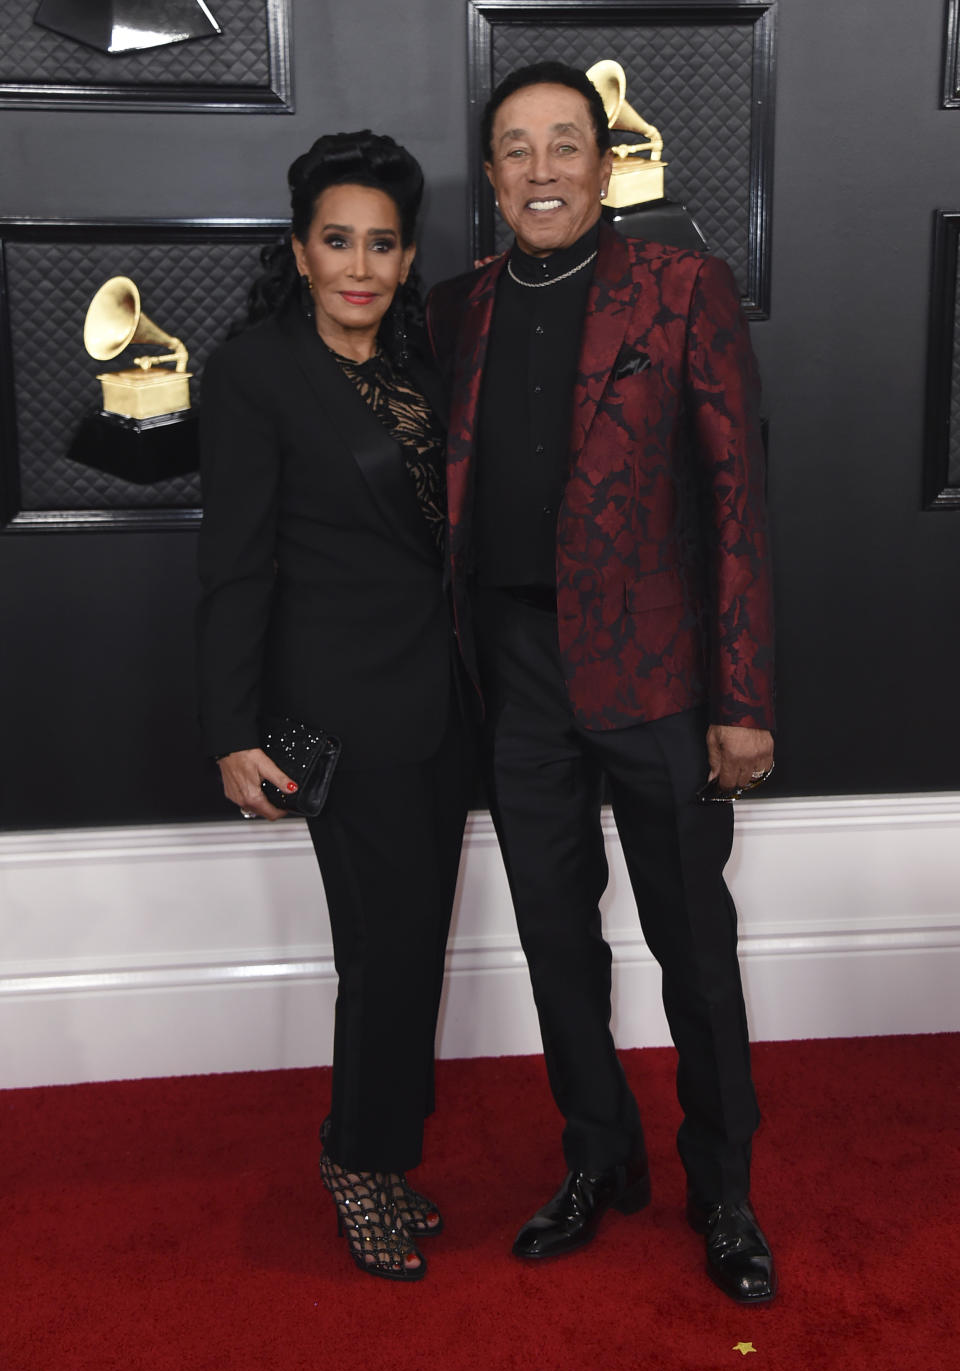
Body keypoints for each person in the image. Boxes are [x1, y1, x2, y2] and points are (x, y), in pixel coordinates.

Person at [426, 62, 777, 1303]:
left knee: (696, 945)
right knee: (554, 942)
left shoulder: (683, 290)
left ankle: (723, 1189)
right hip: (517, 675)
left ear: (605, 160)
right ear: (491, 171)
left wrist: (743, 699)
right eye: (514, 148)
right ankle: (597, 1159)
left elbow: (736, 500)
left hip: (661, 676)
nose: (539, 171)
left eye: (563, 144)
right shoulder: (456, 309)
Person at [197, 131, 470, 1282]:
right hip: (339, 716)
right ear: (300, 250)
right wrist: (230, 728)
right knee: (386, 953)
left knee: (412, 949)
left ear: (407, 258)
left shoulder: (423, 363)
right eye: (337, 240)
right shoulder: (258, 369)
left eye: (384, 243)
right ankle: (358, 1163)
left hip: (447, 712)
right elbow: (236, 564)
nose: (360, 263)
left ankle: (384, 1155)